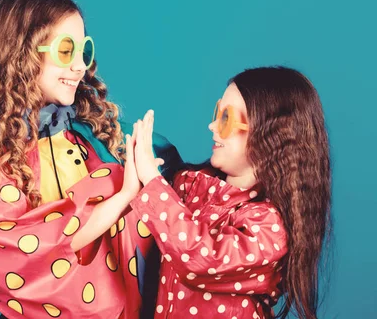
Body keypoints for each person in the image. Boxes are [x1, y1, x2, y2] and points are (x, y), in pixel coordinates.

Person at [0, 0, 181, 319]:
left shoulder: (102, 138)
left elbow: (178, 179)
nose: (78, 66)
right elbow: (24, 250)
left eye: (83, 50)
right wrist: (125, 194)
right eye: (65, 50)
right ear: (22, 56)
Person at [128, 67, 332, 319]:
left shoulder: (269, 229)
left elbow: (198, 259)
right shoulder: (189, 185)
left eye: (226, 118)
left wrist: (151, 179)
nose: (212, 125)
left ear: (270, 135)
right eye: (217, 112)